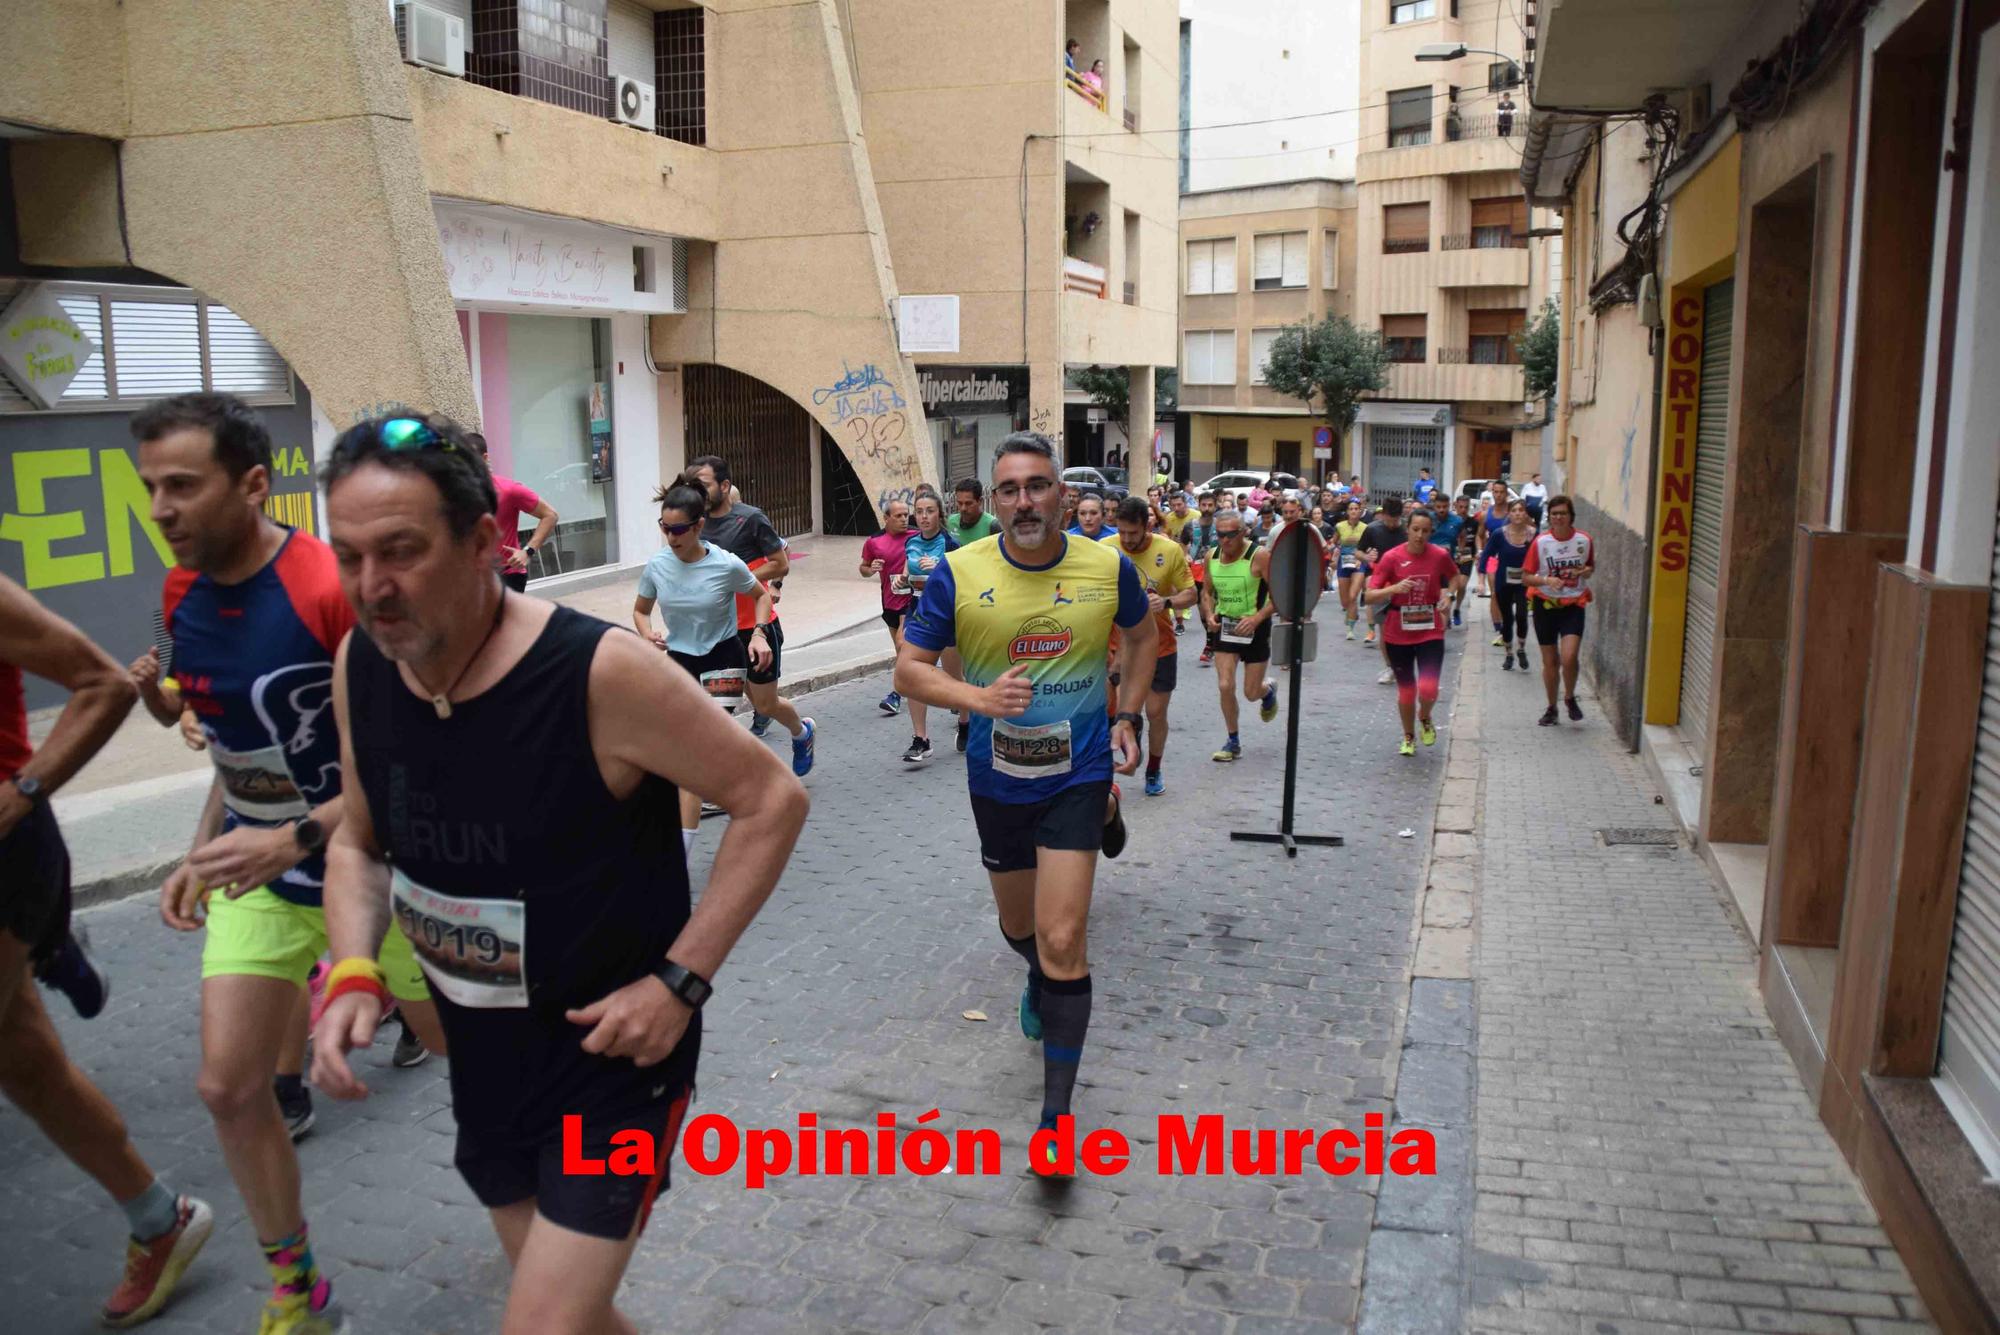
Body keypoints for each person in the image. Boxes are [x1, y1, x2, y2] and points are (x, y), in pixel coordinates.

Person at [310, 413, 806, 1335]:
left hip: (615, 1061)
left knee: (541, 1324)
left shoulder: (599, 673)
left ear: (484, 544)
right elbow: (356, 840)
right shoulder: (362, 666)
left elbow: (771, 798)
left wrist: (680, 981)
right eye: (347, 555)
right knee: (573, 1317)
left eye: (402, 551)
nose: (371, 587)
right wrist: (350, 967)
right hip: (486, 1062)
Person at [134, 393, 446, 1335]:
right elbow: (238, 747)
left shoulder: (326, 586)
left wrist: (293, 837)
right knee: (228, 1086)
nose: (161, 508)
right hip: (263, 878)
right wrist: (203, 847)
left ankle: (568, 1217)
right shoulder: (182, 593)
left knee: (476, 1065)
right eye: (150, 487)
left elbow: (411, 757)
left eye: (182, 485)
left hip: (385, 870)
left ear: (255, 484)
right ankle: (299, 1291)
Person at [892, 432, 1152, 1173]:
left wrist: (1128, 713)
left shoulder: (1105, 566)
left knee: (1063, 936)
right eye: (1009, 490)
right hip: (998, 778)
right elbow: (909, 669)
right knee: (1022, 930)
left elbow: (1141, 637)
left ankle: (1055, 1124)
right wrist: (976, 696)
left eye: (1038, 486)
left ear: (1063, 496)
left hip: (1077, 770)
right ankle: (1038, 969)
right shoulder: (958, 570)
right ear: (995, 502)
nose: (1024, 501)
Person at [1, 575, 216, 1328]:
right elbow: (160, 699)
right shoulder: (177, 598)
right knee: (27, 1064)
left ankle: (54, 942)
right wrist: (173, 700)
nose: (165, 509)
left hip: (7, 853)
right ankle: (161, 1218)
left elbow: (104, 685)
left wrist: (24, 788)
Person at [634, 475, 783, 842]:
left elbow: (761, 596)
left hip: (722, 656)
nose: (671, 537)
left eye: (679, 529)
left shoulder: (726, 564)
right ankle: (747, 779)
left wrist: (760, 634)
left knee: (695, 751)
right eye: (665, 529)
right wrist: (647, 632)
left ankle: (681, 853)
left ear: (699, 525)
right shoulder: (657, 566)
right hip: (680, 660)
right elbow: (640, 610)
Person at [689, 456, 815, 775]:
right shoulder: (693, 523)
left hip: (756, 629)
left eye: (703, 485)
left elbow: (780, 563)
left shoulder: (750, 519)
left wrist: (741, 574)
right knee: (718, 709)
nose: (697, 492)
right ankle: (725, 779)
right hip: (718, 632)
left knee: (764, 704)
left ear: (725, 486)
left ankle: (803, 732)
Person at [1102, 495, 1195, 796]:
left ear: (1147, 525)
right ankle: (1123, 747)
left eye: (1134, 532)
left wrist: (1166, 601)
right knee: (1120, 711)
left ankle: (1154, 768)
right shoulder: (1106, 550)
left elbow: (1191, 594)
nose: (1127, 539)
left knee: (1156, 712)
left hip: (1161, 646)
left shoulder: (1168, 550)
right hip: (1121, 649)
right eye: (1122, 532)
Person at [1366, 508, 1465, 755]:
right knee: (1407, 692)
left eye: (1425, 531)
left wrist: (1449, 595)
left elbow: (1455, 577)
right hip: (1397, 631)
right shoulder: (1391, 558)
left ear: (1432, 532)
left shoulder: (1439, 555)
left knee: (1429, 688)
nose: (1420, 535)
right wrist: (1394, 588)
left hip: (1430, 629)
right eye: (1415, 530)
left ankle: (1425, 716)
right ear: (1407, 529)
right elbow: (1368, 595)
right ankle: (1409, 736)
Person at [1201, 511, 1280, 762]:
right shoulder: (1211, 556)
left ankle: (1267, 691)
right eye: (1220, 535)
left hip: (1255, 628)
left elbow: (1279, 596)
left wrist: (1256, 618)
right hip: (1226, 626)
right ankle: (1232, 740)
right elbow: (1206, 592)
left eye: (1230, 535)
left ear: (1243, 532)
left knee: (1250, 692)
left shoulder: (1259, 556)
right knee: (1225, 685)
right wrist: (1210, 614)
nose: (1225, 541)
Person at [1522, 495, 1594, 725]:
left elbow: (1590, 569)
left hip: (1573, 604)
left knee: (1569, 656)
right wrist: (1545, 580)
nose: (1559, 518)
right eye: (1554, 514)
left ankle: (1570, 697)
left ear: (1571, 516)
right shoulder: (1541, 542)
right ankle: (1552, 707)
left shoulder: (1584, 540)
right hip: (1546, 604)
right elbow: (1525, 577)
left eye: (1563, 513)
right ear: (1549, 517)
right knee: (1551, 661)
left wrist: (1583, 572)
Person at [899, 494, 960, 764]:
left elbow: (962, 580)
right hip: (918, 610)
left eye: (930, 511)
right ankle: (920, 739)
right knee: (912, 674)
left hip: (945, 612)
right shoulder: (910, 542)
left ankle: (967, 721)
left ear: (939, 514)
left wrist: (938, 570)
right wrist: (902, 581)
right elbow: (907, 575)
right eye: (920, 511)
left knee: (954, 675)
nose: (924, 517)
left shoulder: (950, 543)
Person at [467, 433, 558, 593]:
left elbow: (550, 515)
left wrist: (528, 551)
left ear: (484, 457)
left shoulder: (508, 490)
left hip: (507, 575)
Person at [1356, 497, 1406, 679]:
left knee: (1404, 627)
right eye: (1388, 520)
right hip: (1380, 584)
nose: (1392, 524)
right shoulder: (1373, 529)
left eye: (1395, 520)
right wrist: (1367, 557)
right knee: (1384, 628)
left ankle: (1403, 664)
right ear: (1383, 515)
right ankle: (1390, 666)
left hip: (1404, 583)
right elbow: (1358, 552)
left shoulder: (1408, 530)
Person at [1487, 499, 1537, 670]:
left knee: (1522, 616)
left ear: (1525, 514)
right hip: (1503, 582)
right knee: (1507, 619)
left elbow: (1540, 557)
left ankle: (1521, 649)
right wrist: (1489, 577)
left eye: (1521, 510)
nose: (1517, 513)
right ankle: (1508, 654)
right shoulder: (1499, 534)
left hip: (1524, 582)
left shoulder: (1533, 534)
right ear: (1509, 513)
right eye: (1514, 510)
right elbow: (1489, 556)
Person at [1429, 496, 1469, 628]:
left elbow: (1463, 536)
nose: (1441, 510)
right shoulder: (1428, 519)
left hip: (1448, 564)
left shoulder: (1457, 521)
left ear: (1450, 505)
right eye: (1438, 507)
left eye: (1444, 507)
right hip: (1429, 565)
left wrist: (1460, 551)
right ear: (1434, 506)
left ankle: (1445, 619)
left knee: (1446, 593)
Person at [1334, 500, 1370, 640]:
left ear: (1360, 511)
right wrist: (1333, 555)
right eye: (1351, 509)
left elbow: (1369, 545)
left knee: (1353, 596)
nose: (1354, 511)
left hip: (1358, 564)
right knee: (1345, 601)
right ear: (1347, 511)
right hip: (1344, 563)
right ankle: (1352, 614)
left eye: (1356, 509)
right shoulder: (1340, 526)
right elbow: (1334, 542)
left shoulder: (1366, 528)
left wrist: (1365, 555)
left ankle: (1350, 629)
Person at [1474, 480, 1512, 597]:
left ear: (1506, 494)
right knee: (1495, 592)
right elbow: (1479, 536)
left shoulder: (1514, 512)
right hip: (1493, 557)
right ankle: (1496, 615)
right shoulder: (1485, 514)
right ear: (1492, 493)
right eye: (1496, 492)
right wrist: (1480, 551)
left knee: (1509, 595)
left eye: (1501, 492)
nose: (1498, 495)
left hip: (1511, 557)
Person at [948, 477, 1000, 543]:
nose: (963, 508)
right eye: (960, 503)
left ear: (980, 501)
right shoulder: (950, 522)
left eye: (968, 503)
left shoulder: (993, 526)